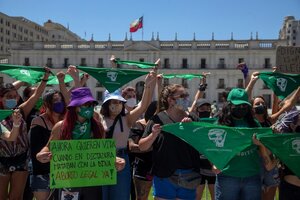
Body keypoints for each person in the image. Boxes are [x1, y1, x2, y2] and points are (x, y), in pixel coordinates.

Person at [37, 87, 125, 200]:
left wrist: (115, 159)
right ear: (75, 107)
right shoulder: (61, 127)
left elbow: (103, 153)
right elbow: (48, 148)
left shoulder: (98, 127)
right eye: (85, 104)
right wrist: (41, 155)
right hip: (67, 179)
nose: (89, 107)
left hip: (92, 180)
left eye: (91, 104)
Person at [139, 84, 201, 200]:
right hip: (164, 175)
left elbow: (202, 145)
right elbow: (142, 146)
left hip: (189, 174)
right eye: (182, 96)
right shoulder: (157, 118)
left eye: (186, 95)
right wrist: (153, 135)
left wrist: (191, 130)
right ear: (170, 100)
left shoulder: (194, 119)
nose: (186, 98)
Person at [100, 70, 156, 200]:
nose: (117, 105)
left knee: (120, 196)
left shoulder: (126, 119)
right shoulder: (98, 119)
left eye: (119, 102)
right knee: (102, 195)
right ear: (106, 104)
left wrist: (147, 85)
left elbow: (143, 106)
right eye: (113, 102)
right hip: (102, 158)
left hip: (121, 159)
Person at [0, 69, 50, 200]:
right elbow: (9, 137)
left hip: (21, 159)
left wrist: (45, 78)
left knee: (16, 197)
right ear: (1, 98)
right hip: (1, 159)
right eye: (8, 97)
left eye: (14, 96)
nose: (13, 99)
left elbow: (36, 95)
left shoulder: (21, 110)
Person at [215, 88, 262, 200]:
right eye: (238, 105)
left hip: (251, 175)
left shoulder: (254, 123)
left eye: (244, 106)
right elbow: (210, 145)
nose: (241, 108)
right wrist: (213, 163)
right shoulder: (220, 124)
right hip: (228, 176)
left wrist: (259, 144)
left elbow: (264, 147)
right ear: (229, 105)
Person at [29, 89, 66, 200]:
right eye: (55, 100)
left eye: (61, 100)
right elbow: (36, 150)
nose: (59, 102)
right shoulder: (38, 121)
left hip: (62, 171)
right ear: (47, 104)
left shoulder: (66, 122)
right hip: (41, 171)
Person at [128, 100, 157, 200]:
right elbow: (131, 146)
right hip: (143, 166)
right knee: (141, 197)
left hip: (161, 166)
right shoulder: (138, 125)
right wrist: (149, 146)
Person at [272, 109, 300, 200]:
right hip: (289, 188)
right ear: (292, 125)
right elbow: (272, 163)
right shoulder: (285, 142)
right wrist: (276, 136)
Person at [192, 98, 216, 200]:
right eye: (202, 108)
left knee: (216, 197)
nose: (205, 110)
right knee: (197, 197)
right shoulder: (192, 125)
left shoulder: (216, 124)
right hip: (198, 168)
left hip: (213, 167)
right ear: (197, 110)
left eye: (207, 108)